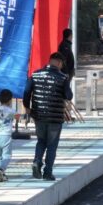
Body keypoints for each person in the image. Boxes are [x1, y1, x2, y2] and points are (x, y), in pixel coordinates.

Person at [22, 52, 73, 182]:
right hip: (55, 117)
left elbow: (26, 92)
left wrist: (27, 107)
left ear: (50, 61)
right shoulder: (63, 77)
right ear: (60, 63)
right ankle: (48, 172)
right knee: (52, 145)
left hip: (38, 115)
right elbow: (68, 96)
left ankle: (37, 161)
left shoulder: (35, 74)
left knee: (41, 141)